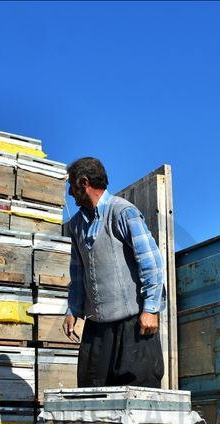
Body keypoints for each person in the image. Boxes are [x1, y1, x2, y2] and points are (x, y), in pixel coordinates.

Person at [62, 157, 165, 388]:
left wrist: (150, 309)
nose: (70, 192)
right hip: (97, 330)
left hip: (134, 326)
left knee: (139, 392)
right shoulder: (76, 224)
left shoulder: (123, 212)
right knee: (92, 394)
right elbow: (77, 274)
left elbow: (152, 263)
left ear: (84, 182)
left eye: (72, 185)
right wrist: (73, 310)